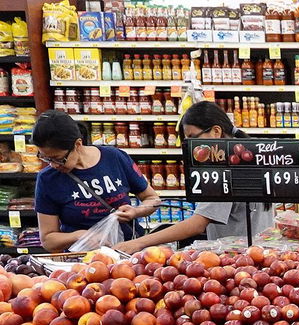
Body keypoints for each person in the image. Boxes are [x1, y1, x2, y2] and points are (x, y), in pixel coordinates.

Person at [116, 102, 274, 254]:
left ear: (216, 132)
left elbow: (198, 224)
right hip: (262, 254)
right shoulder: (248, 156)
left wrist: (138, 243)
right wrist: (139, 210)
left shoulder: (222, 168)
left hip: (236, 259)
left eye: (192, 138)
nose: (191, 146)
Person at [32, 110, 160, 252]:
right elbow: (47, 240)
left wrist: (136, 212)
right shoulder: (48, 179)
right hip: (83, 259)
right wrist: (79, 236)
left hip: (129, 252)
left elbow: (152, 198)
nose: (53, 165)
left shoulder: (115, 158)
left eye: (58, 158)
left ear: (78, 144)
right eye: (45, 158)